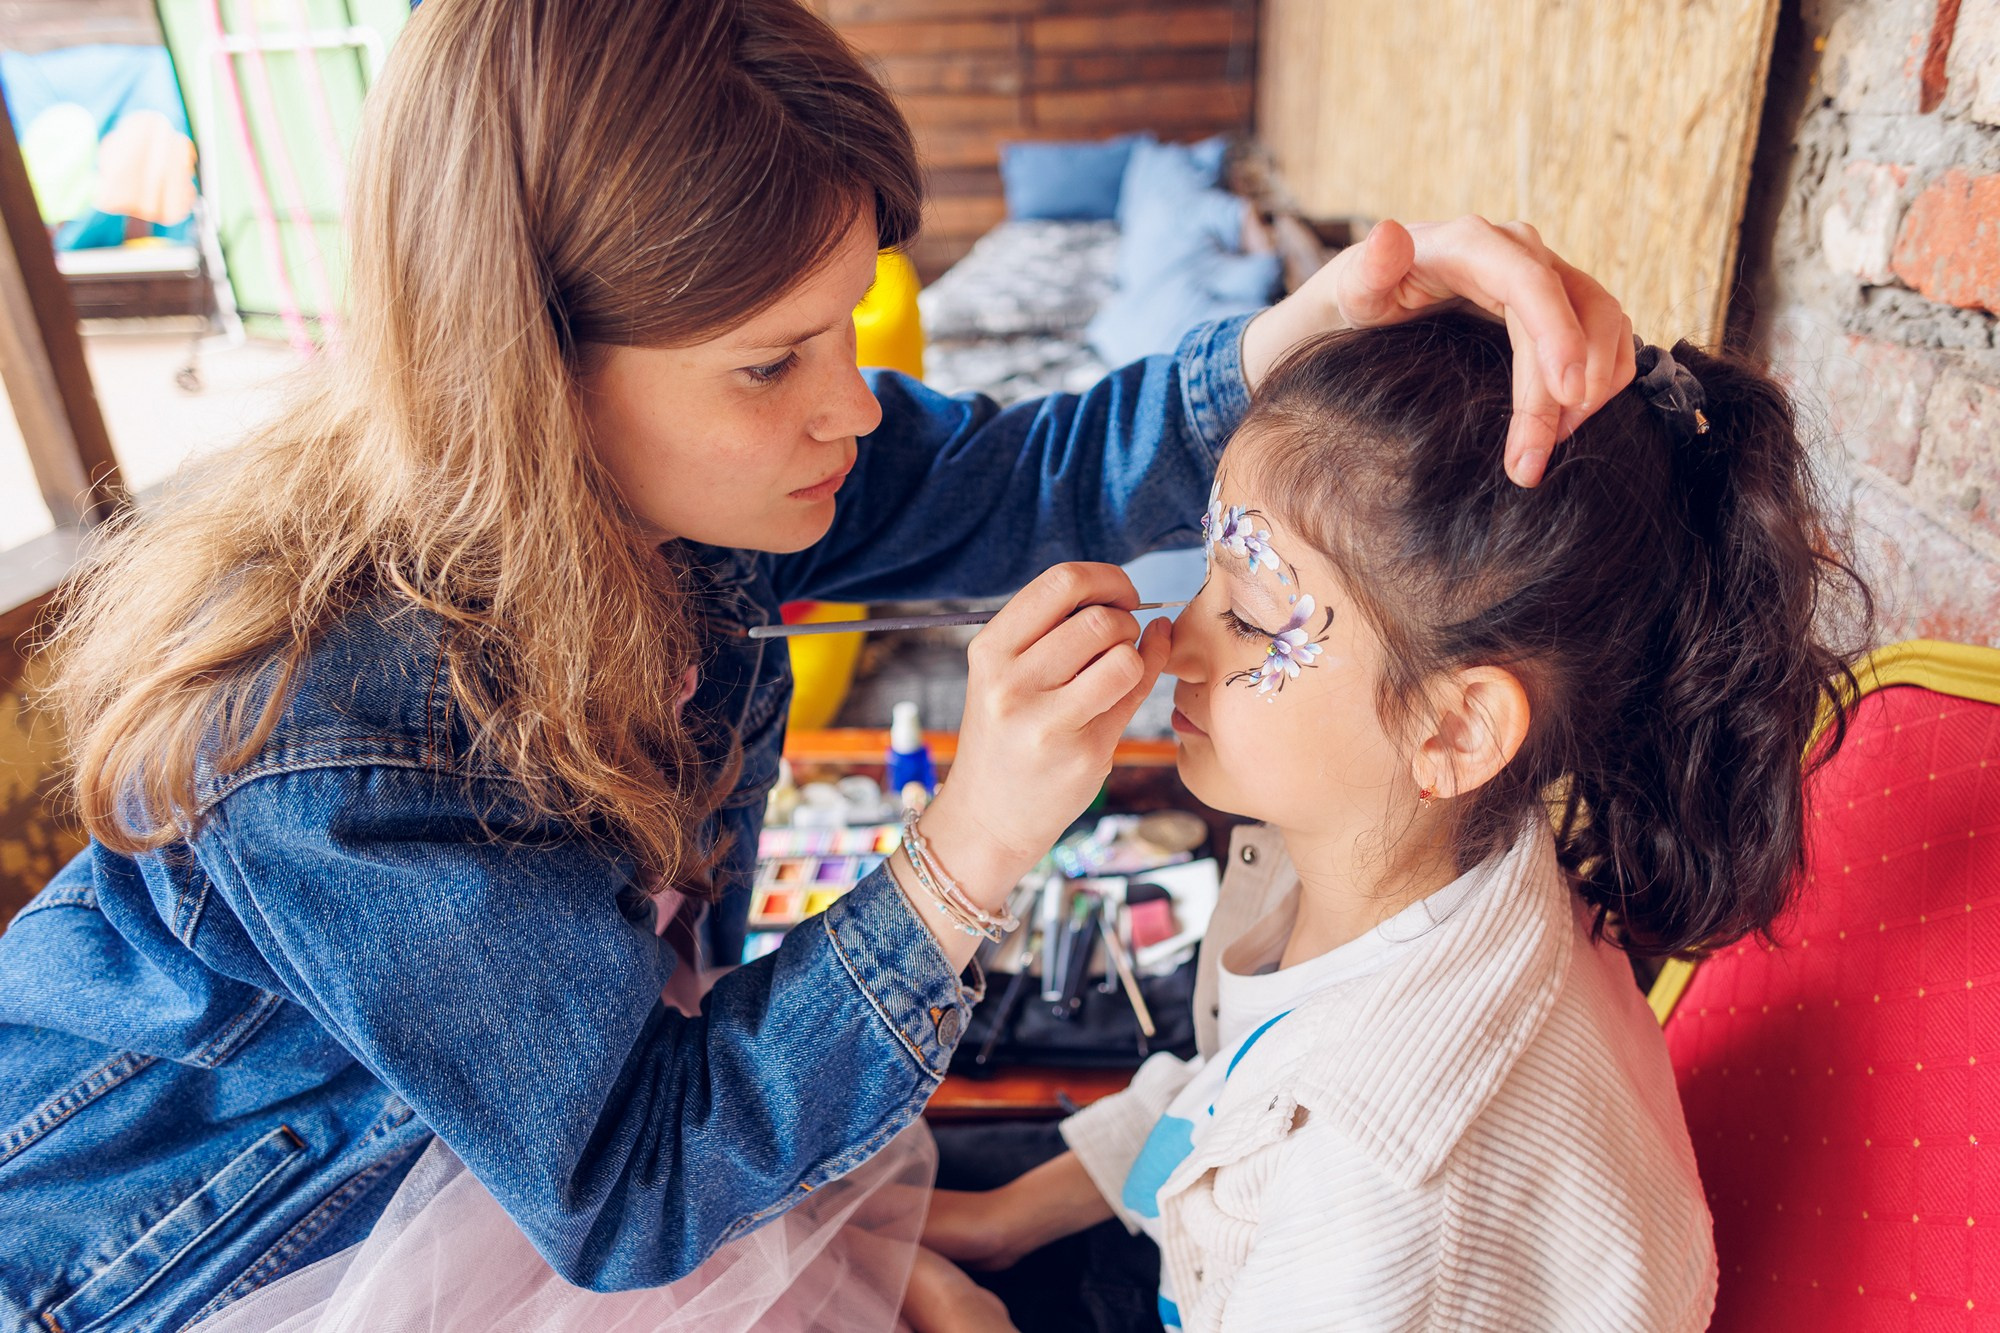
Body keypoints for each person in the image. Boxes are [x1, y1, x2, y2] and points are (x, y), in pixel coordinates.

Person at [0, 0, 1635, 1329]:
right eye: (773, 361)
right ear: (531, 373)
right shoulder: (330, 741)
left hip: (547, 1146)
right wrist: (965, 845)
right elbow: (636, 1183)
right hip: (212, 1259)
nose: (852, 403)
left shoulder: (688, 489)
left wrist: (1318, 319)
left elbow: (1014, 475)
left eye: (850, 319)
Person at [915, 310, 1870, 1332]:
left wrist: (955, 1310)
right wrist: (1004, 1218)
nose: (1174, 641)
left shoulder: (1378, 1194)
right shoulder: (1404, 857)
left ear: (1454, 729)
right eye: (1203, 572)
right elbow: (1232, 1094)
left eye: (1248, 616)